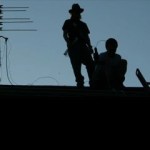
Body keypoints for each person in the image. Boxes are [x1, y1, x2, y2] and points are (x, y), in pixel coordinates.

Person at [62, 3, 95, 88]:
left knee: (90, 63)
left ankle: (93, 81)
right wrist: (68, 42)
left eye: (78, 12)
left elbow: (87, 37)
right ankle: (79, 81)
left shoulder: (83, 24)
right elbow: (65, 34)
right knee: (76, 65)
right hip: (73, 46)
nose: (77, 14)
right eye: (75, 12)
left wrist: (90, 46)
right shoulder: (68, 22)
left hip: (83, 45)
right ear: (72, 13)